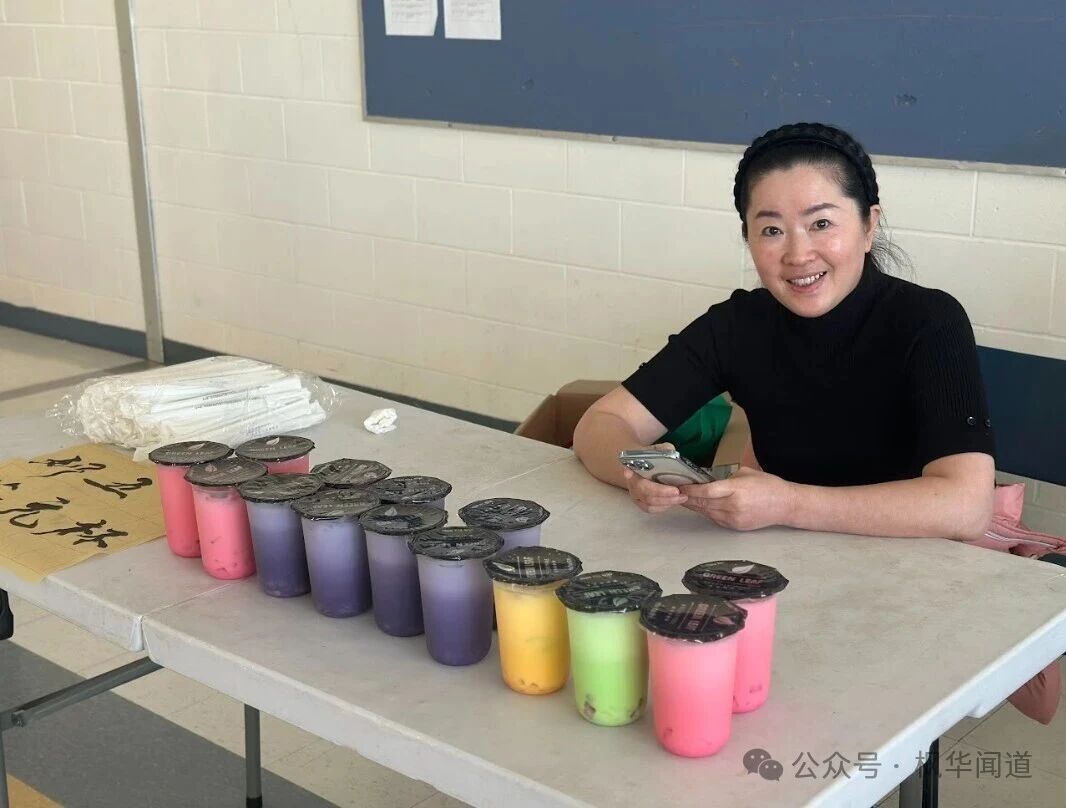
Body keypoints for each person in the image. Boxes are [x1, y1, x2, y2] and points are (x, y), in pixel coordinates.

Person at [573, 122, 996, 540]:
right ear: (748, 239)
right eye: (772, 230)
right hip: (785, 558)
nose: (797, 254)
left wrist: (789, 504)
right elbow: (600, 422)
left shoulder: (930, 320)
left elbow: (966, 506)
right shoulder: (739, 324)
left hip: (913, 562)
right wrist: (637, 470)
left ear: (869, 226)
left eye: (821, 224)